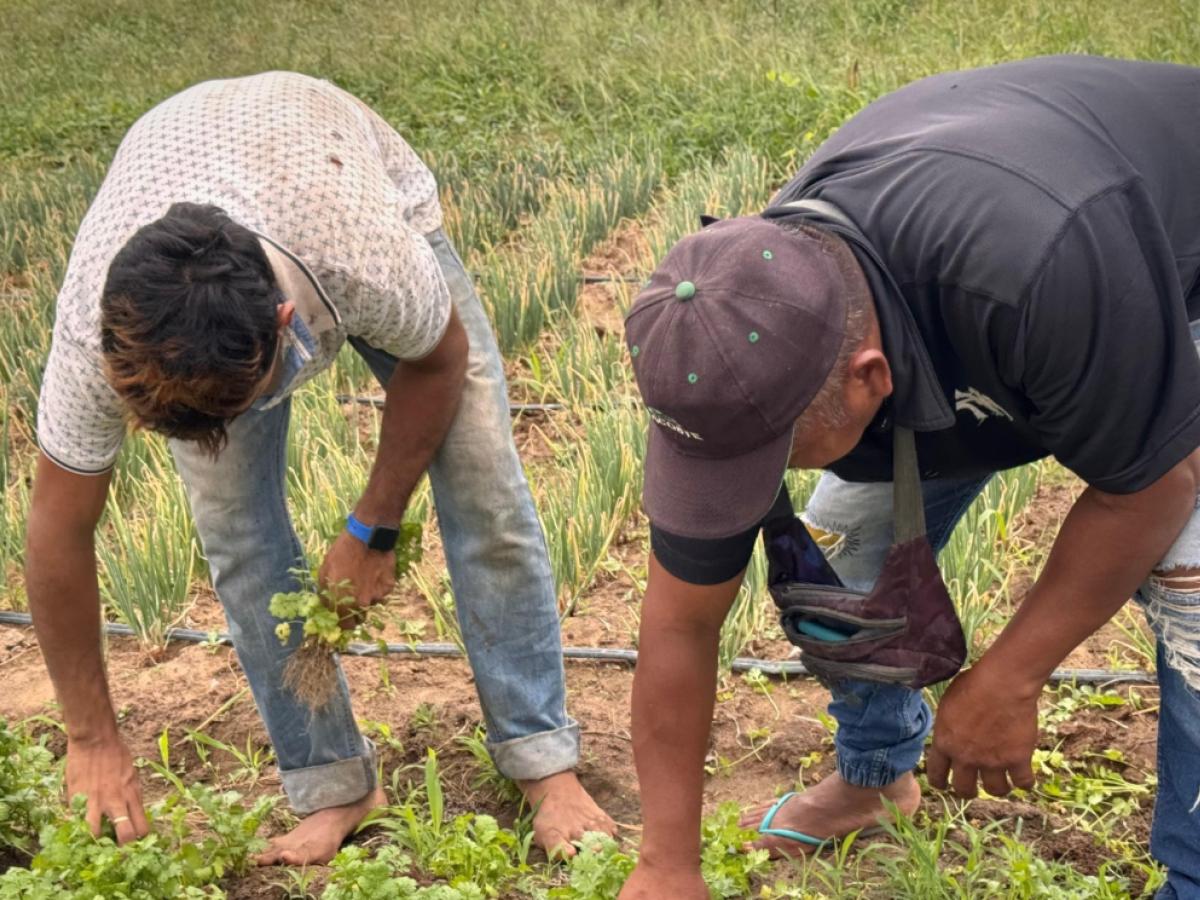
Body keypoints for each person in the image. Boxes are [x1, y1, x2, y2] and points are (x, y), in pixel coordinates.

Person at [616, 55, 1200, 900]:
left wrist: (1008, 679)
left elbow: (1154, 483)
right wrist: (666, 864)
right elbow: (678, 625)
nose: (759, 482)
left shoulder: (1043, 269)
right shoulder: (749, 319)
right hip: (998, 304)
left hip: (1160, 269)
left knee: (1192, 587)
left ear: (869, 379)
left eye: (777, 450)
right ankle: (875, 782)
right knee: (841, 553)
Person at [26, 71, 614, 866]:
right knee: (235, 533)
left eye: (234, 408)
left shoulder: (365, 258)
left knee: (485, 483)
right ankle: (333, 782)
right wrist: (90, 736)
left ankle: (544, 761)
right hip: (178, 161)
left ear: (284, 325)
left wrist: (373, 525)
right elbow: (59, 532)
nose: (217, 436)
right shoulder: (97, 334)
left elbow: (438, 365)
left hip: (328, 161)